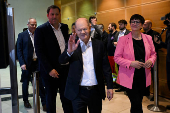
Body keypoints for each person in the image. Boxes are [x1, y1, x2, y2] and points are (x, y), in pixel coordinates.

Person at [59, 18, 114, 113]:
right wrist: (69, 52)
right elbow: (61, 61)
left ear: (89, 27)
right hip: (78, 91)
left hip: (95, 90)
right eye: (79, 30)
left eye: (85, 29)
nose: (82, 32)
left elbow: (106, 67)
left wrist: (109, 86)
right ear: (75, 30)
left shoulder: (99, 45)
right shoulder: (72, 44)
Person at [34, 5, 73, 113]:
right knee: (50, 99)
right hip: (50, 71)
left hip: (65, 69)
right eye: (52, 14)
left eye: (56, 14)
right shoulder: (41, 30)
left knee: (66, 98)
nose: (54, 16)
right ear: (48, 15)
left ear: (60, 15)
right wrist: (50, 69)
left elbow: (67, 47)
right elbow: (40, 52)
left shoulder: (64, 27)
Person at [114, 14, 157, 113]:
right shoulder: (123, 39)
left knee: (138, 102)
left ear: (141, 25)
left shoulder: (148, 38)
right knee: (136, 102)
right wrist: (130, 63)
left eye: (137, 22)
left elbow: (154, 54)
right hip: (129, 76)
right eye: (132, 21)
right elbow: (117, 58)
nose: (134, 23)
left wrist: (151, 60)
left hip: (144, 75)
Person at [17, 18, 46, 111]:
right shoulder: (22, 35)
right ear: (27, 24)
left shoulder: (38, 34)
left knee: (40, 83)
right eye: (32, 24)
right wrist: (22, 63)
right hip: (27, 64)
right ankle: (26, 100)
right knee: (25, 83)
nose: (34, 26)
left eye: (35, 24)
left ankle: (44, 102)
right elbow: (19, 50)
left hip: (37, 62)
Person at [154, 12, 170, 109]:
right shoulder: (168, 31)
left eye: (168, 19)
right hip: (169, 60)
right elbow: (167, 46)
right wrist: (159, 42)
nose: (166, 21)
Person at [143, 20, 162, 101]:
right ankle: (146, 92)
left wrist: (157, 43)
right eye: (143, 24)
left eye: (145, 24)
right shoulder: (142, 34)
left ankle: (155, 95)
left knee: (154, 77)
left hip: (153, 59)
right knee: (145, 77)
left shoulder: (155, 34)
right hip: (144, 59)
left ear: (150, 25)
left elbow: (160, 46)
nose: (143, 26)